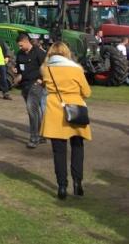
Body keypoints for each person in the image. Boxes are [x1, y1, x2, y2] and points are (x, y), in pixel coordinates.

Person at [40, 42, 92, 200]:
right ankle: (78, 184)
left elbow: (45, 88)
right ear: (67, 52)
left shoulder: (46, 69)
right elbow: (87, 92)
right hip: (75, 109)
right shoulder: (76, 69)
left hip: (55, 111)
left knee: (59, 151)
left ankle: (62, 186)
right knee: (77, 147)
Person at [14, 33, 48, 148]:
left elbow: (47, 68)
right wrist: (17, 76)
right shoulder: (19, 54)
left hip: (36, 85)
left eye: (20, 45)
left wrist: (41, 80)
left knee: (31, 109)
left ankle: (34, 137)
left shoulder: (39, 53)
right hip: (25, 86)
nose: (20, 48)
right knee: (37, 111)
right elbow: (19, 69)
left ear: (26, 41)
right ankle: (42, 134)